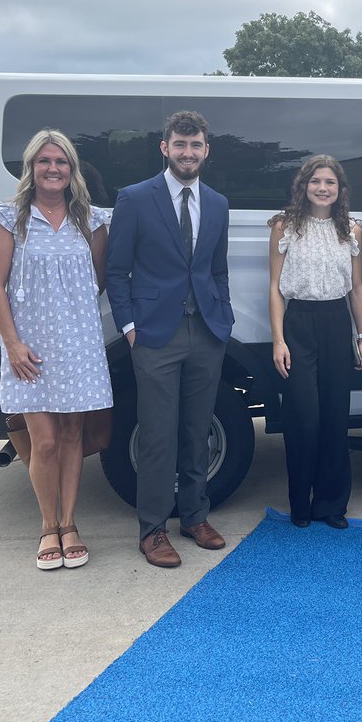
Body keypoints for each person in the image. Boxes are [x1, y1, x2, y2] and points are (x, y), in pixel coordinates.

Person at [105, 110, 234, 568]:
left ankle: (195, 516)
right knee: (158, 434)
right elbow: (116, 270)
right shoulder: (136, 199)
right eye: (180, 145)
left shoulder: (217, 203)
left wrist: (225, 314)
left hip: (207, 330)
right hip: (155, 334)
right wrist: (129, 326)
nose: (187, 152)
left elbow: (216, 268)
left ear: (206, 150)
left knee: (197, 430)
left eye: (195, 145)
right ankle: (153, 529)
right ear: (165, 148)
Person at [0, 129, 112, 570]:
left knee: (74, 437)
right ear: (31, 169)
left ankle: (71, 523)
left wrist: (71, 318)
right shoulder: (9, 219)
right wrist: (13, 344)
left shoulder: (89, 221)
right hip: (29, 349)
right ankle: (47, 526)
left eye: (61, 161)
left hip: (79, 345)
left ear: (72, 169)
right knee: (46, 441)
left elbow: (99, 280)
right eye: (44, 161)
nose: (53, 168)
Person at [268, 155, 362, 529]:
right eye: (316, 181)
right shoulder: (285, 227)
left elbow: (357, 288)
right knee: (304, 417)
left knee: (334, 417)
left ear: (340, 190)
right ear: (303, 186)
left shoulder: (352, 231)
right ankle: (300, 502)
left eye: (330, 182)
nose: (323, 188)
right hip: (298, 323)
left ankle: (332, 505)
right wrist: (278, 340)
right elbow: (275, 289)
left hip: (335, 321)